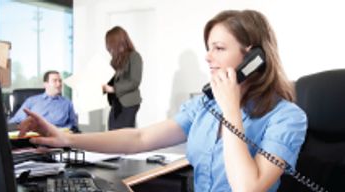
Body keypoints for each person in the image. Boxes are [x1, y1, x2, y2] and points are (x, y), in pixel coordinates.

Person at [18, 10, 307, 191]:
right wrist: (66, 139)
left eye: (219, 48)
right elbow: (140, 138)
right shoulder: (204, 106)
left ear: (255, 58)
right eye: (208, 48)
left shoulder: (287, 117)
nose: (208, 57)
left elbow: (249, 188)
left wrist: (231, 108)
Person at [102, 26, 143, 130]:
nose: (108, 48)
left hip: (129, 103)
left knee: (124, 136)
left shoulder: (134, 56)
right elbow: (112, 81)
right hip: (116, 103)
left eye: (110, 44)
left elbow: (135, 82)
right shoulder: (114, 61)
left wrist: (113, 89)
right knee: (113, 133)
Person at [9, 70, 78, 132]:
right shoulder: (31, 101)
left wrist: (61, 130)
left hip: (58, 138)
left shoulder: (67, 103)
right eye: (55, 81)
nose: (59, 84)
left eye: (60, 81)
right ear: (45, 84)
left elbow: (73, 125)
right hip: (35, 137)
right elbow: (16, 120)